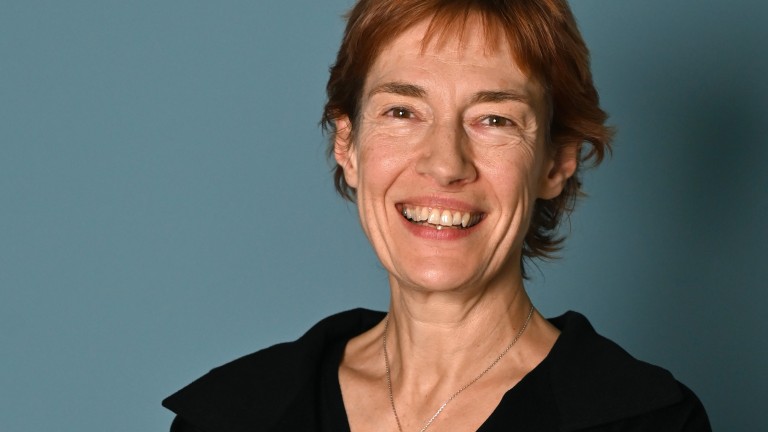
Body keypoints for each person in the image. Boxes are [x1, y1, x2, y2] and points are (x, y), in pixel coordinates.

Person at [163, 0, 711, 430]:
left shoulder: (651, 421)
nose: (446, 165)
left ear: (555, 161)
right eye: (403, 111)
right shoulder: (231, 416)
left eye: (494, 119)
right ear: (348, 145)